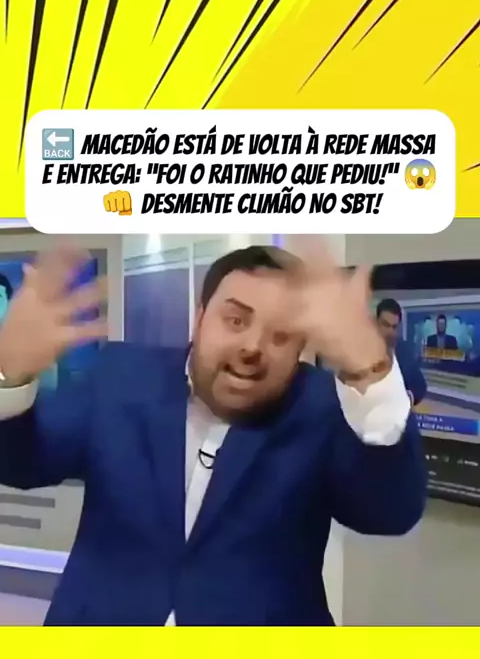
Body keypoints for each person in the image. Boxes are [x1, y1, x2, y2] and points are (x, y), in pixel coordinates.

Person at [0, 245, 427, 626]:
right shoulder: (120, 376)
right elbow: (20, 461)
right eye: (236, 319)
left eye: (281, 334)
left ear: (301, 347)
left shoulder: (322, 406)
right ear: (200, 317)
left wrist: (370, 375)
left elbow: (389, 513)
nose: (252, 346)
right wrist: (9, 376)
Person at [375, 298, 427, 406]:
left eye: (394, 327)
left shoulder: (403, 350)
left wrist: (407, 399)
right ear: (376, 323)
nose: (390, 332)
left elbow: (420, 386)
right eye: (385, 325)